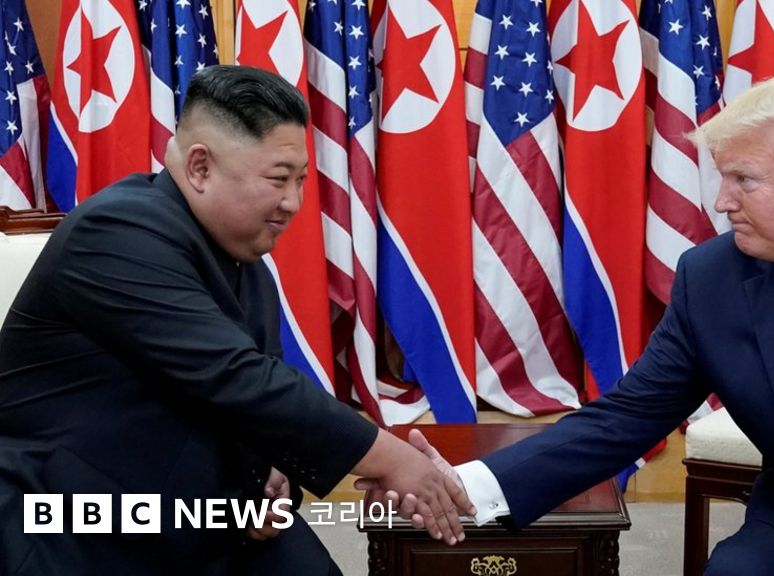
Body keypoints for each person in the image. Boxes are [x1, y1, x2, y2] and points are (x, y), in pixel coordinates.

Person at [375, 78, 774, 575]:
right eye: (721, 177)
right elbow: (625, 419)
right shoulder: (714, 280)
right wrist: (468, 485)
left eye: (744, 180)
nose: (721, 201)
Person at [0, 65, 473, 576]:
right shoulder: (115, 232)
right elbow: (235, 377)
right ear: (200, 167)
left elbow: (252, 408)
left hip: (213, 520)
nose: (293, 203)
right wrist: (390, 458)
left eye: (301, 181)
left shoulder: (247, 266)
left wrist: (270, 471)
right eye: (278, 179)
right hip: (75, 523)